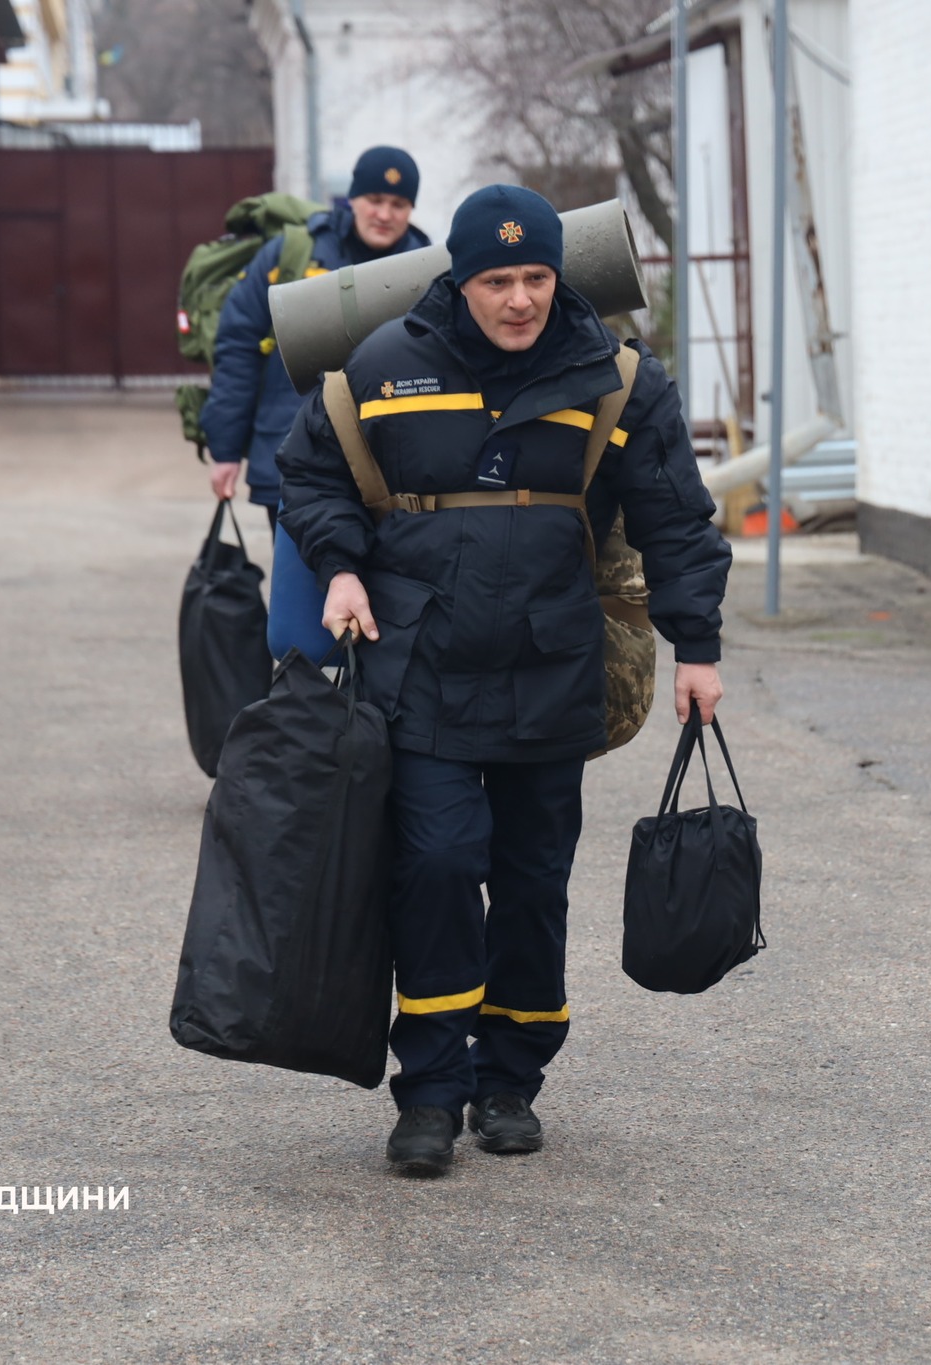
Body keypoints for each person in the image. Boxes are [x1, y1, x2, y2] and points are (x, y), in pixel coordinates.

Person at [278, 184, 731, 1176]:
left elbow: (673, 516)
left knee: (532, 882)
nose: (519, 300)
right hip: (421, 669)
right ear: (461, 281)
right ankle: (430, 1092)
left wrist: (696, 647)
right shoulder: (388, 364)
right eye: (496, 280)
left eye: (535, 278)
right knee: (435, 869)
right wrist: (344, 565)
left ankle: (510, 1077)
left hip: (549, 670)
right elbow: (310, 474)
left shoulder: (611, 379)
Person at [202, 146, 432, 522]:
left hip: (393, 469)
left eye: (399, 204)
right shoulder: (291, 254)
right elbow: (238, 349)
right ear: (353, 198)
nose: (384, 215)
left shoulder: (425, 269)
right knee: (301, 580)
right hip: (293, 456)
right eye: (375, 200)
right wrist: (225, 450)